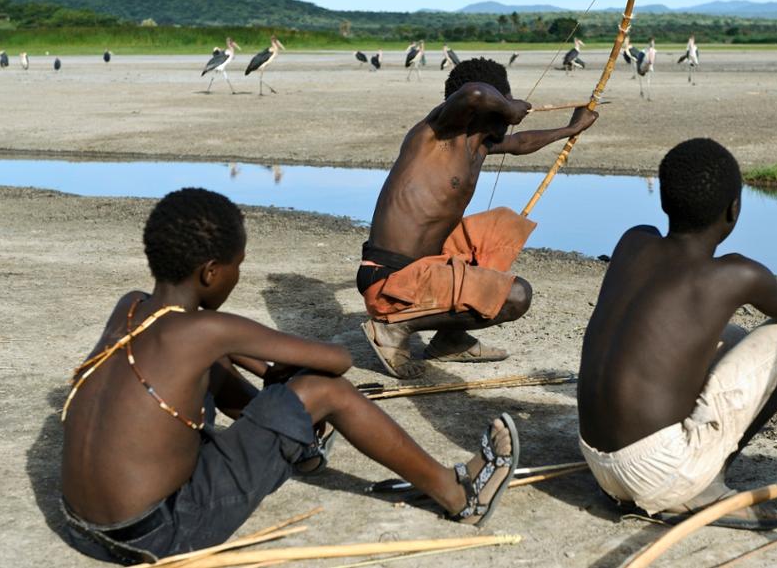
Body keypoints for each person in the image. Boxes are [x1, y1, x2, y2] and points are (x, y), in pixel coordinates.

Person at [60, 188, 520, 564]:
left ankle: (302, 449)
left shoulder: (132, 306)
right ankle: (460, 496)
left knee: (221, 368)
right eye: (238, 266)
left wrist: (262, 367)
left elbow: (206, 354)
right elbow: (336, 360)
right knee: (324, 390)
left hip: (82, 523)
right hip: (156, 534)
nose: (237, 276)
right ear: (210, 272)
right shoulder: (207, 330)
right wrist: (285, 375)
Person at [577, 138, 777, 530]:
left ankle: (677, 472)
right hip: (660, 476)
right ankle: (705, 487)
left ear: (664, 202)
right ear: (734, 209)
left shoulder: (633, 240)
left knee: (734, 336)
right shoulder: (736, 275)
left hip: (598, 463)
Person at [358, 57, 598, 378]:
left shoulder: (479, 144)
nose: (510, 118)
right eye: (503, 106)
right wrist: (508, 107)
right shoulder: (437, 133)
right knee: (516, 296)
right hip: (389, 281)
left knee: (501, 228)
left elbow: (521, 143)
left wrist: (572, 128)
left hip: (422, 272)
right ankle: (394, 328)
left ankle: (450, 340)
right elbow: (473, 93)